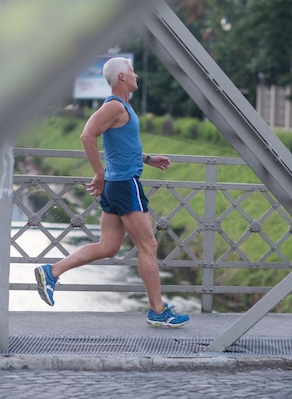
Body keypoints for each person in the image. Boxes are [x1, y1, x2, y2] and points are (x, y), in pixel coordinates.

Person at [34, 57, 189, 328]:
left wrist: (147, 158)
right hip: (124, 184)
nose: (136, 74)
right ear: (121, 77)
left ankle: (52, 271)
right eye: (132, 71)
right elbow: (87, 136)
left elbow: (122, 146)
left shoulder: (121, 107)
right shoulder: (115, 106)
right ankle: (158, 311)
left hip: (118, 184)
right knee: (149, 246)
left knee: (108, 247)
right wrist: (99, 173)